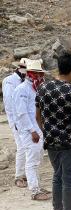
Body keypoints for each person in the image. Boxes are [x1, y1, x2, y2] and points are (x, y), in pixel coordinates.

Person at [36, 53, 71, 210]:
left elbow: (38, 116)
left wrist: (47, 133)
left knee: (57, 177)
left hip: (51, 143)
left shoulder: (43, 88)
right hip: (69, 143)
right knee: (69, 181)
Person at [13, 59, 50, 200]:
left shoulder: (35, 89)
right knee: (32, 160)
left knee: (37, 159)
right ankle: (34, 190)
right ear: (31, 73)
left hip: (37, 129)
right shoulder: (21, 90)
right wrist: (32, 131)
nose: (40, 77)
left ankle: (38, 186)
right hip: (29, 131)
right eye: (37, 74)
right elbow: (22, 113)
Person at [2, 58, 28, 187]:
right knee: (22, 146)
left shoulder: (26, 80)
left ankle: (25, 173)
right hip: (17, 120)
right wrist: (17, 123)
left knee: (28, 146)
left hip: (26, 119)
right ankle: (19, 176)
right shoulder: (9, 81)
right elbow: (10, 104)